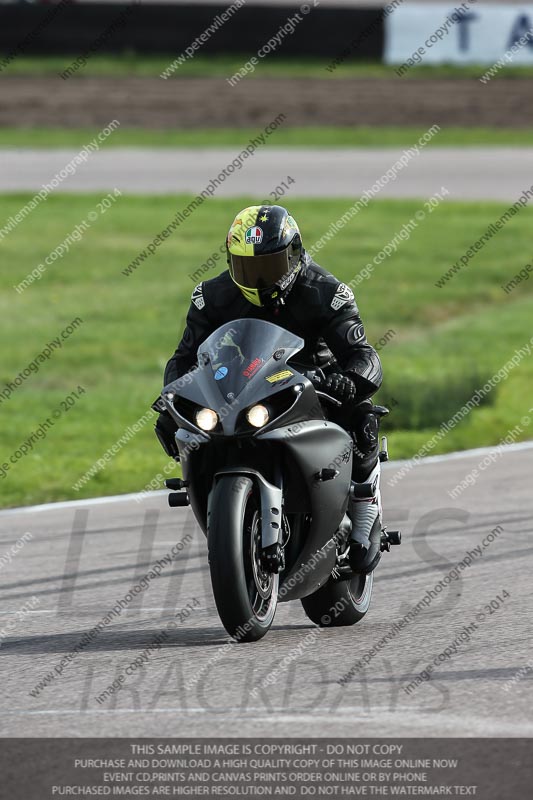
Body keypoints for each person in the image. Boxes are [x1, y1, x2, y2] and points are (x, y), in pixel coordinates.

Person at [156, 205, 385, 574]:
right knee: (177, 422)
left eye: (269, 266)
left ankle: (364, 504)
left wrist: (348, 380)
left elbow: (363, 354)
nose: (259, 278)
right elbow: (183, 358)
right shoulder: (211, 296)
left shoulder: (326, 291)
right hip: (240, 386)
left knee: (360, 413)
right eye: (247, 268)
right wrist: (173, 394)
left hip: (312, 384)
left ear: (294, 254)